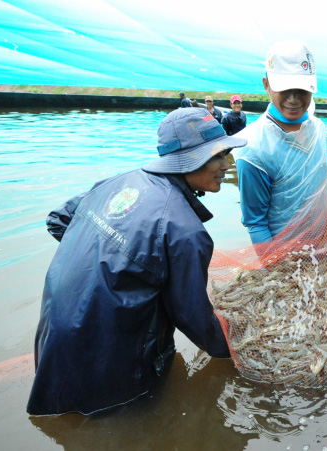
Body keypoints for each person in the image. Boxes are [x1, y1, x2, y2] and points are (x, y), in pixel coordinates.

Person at [27, 109, 248, 416]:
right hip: (110, 355)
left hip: (55, 329)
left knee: (64, 418)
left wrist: (99, 261)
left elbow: (59, 219)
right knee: (125, 425)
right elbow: (191, 316)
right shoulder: (186, 232)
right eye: (218, 157)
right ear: (187, 159)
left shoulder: (118, 181)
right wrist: (240, 352)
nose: (227, 165)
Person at [233, 40, 327, 249]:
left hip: (324, 242)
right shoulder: (254, 149)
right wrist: (273, 268)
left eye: (302, 89)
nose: (294, 99)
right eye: (284, 89)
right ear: (266, 84)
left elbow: (319, 164)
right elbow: (255, 223)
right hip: (285, 255)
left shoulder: (317, 127)